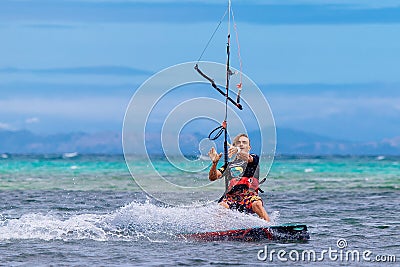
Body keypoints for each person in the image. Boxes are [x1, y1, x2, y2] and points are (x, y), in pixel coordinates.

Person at [208, 133, 270, 221]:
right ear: (233, 147)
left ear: (249, 147)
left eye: (244, 142)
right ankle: (217, 232)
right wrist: (214, 163)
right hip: (231, 199)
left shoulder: (253, 158)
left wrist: (238, 150)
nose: (241, 144)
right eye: (239, 143)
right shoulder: (228, 165)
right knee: (221, 207)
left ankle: (268, 227)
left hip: (249, 197)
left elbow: (247, 157)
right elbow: (212, 177)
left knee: (257, 204)